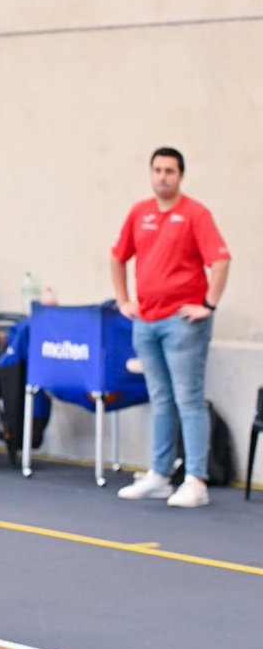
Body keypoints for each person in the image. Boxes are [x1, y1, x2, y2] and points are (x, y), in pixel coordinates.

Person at [111, 148, 230, 509]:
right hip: (145, 322)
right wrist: (124, 300)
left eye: (169, 171)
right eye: (157, 170)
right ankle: (160, 476)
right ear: (151, 174)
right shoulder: (139, 213)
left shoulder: (195, 214)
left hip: (183, 324)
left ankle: (196, 480)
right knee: (161, 398)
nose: (162, 176)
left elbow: (221, 259)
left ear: (180, 176)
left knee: (188, 399)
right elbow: (118, 257)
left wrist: (208, 304)